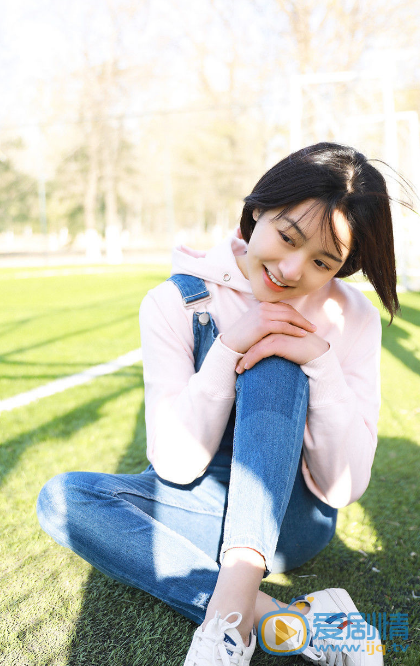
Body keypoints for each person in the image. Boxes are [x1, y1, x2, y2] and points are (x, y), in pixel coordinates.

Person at [37, 143, 399, 665]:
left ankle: (226, 626)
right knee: (62, 499)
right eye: (287, 236)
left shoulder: (352, 318)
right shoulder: (179, 301)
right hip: (200, 505)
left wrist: (318, 363)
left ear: (343, 268)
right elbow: (175, 465)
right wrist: (228, 349)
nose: (293, 270)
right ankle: (285, 619)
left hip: (292, 522)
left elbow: (344, 487)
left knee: (276, 358)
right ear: (257, 211)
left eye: (322, 262)